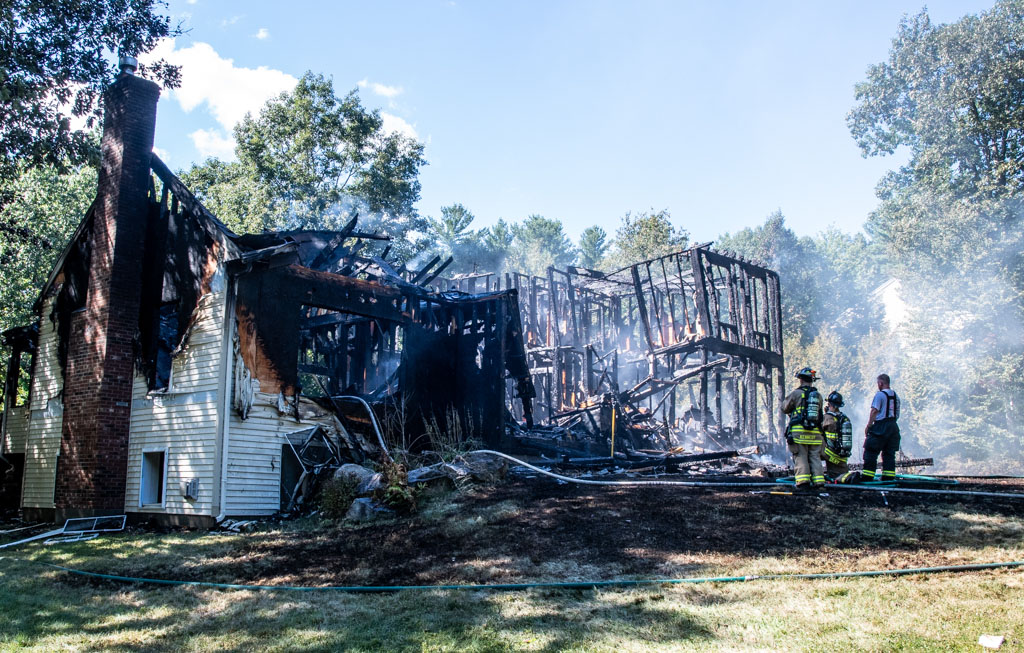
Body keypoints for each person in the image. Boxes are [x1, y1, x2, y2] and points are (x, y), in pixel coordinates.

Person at [781, 367, 825, 490]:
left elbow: (784, 408)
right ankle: (819, 482)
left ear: (800, 380)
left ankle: (803, 482)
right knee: (815, 457)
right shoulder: (818, 396)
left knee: (800, 456)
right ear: (812, 380)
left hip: (799, 433)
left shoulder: (796, 394)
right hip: (815, 433)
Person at [863, 373, 900, 482]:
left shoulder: (880, 395)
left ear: (880, 383)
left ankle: (867, 477)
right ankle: (888, 477)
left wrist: (869, 425)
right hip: (893, 426)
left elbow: (874, 411)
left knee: (871, 451)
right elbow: (897, 413)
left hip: (880, 426)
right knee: (889, 454)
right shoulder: (896, 396)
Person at [821, 390, 853, 480]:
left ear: (831, 404)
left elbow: (818, 428)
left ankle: (815, 476)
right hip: (843, 455)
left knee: (809, 452)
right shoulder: (845, 418)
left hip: (829, 453)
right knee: (840, 474)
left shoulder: (827, 418)